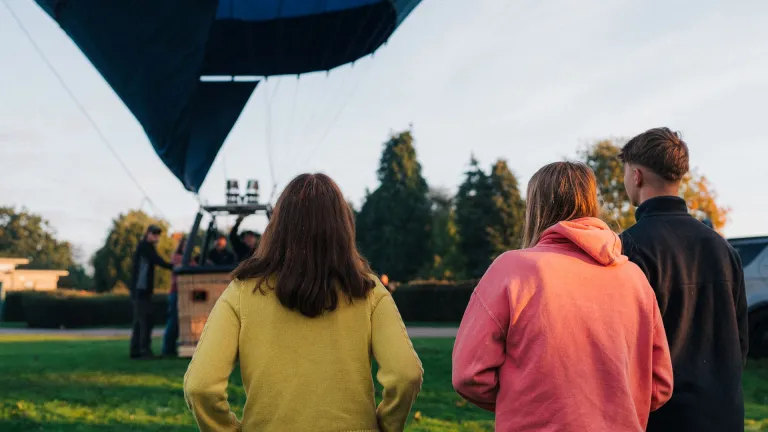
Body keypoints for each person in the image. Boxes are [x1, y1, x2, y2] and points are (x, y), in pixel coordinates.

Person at [184, 173, 423, 432]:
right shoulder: (369, 291)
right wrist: (387, 427)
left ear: (277, 225)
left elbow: (200, 386)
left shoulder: (241, 292)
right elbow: (406, 375)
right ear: (343, 227)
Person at [452, 161, 673, 431]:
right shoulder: (634, 278)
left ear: (536, 208)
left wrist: (525, 402)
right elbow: (660, 383)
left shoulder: (512, 269)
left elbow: (469, 374)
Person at [618, 127, 747, 432]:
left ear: (636, 176)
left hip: (661, 418)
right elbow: (740, 342)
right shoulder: (723, 249)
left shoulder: (627, 248)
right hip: (725, 414)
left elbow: (623, 347)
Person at [130, 224, 173, 359]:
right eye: (154, 234)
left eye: (157, 234)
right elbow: (158, 261)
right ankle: (144, 350)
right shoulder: (145, 247)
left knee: (139, 321)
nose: (156, 237)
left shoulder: (146, 248)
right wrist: (174, 267)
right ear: (147, 233)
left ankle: (136, 350)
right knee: (146, 320)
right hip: (141, 290)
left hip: (141, 290)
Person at [162, 236, 192, 357]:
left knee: (181, 321)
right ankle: (167, 349)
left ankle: (174, 347)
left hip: (185, 293)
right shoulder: (177, 258)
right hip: (176, 292)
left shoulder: (189, 259)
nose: (186, 248)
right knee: (174, 320)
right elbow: (181, 268)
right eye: (185, 245)